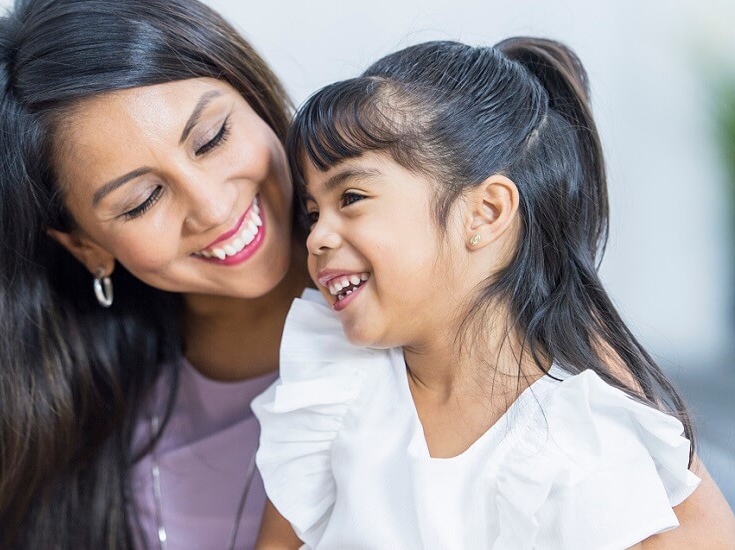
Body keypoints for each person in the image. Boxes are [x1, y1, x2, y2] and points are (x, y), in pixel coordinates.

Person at [0, 1, 734, 547]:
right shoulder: (86, 436)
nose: (213, 204)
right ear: (86, 246)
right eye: (140, 201)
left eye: (212, 137)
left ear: (254, 94)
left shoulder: (466, 313)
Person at [252, 38, 735, 549]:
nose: (317, 236)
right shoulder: (336, 381)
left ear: (485, 213)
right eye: (312, 212)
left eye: (351, 197)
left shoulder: (581, 436)